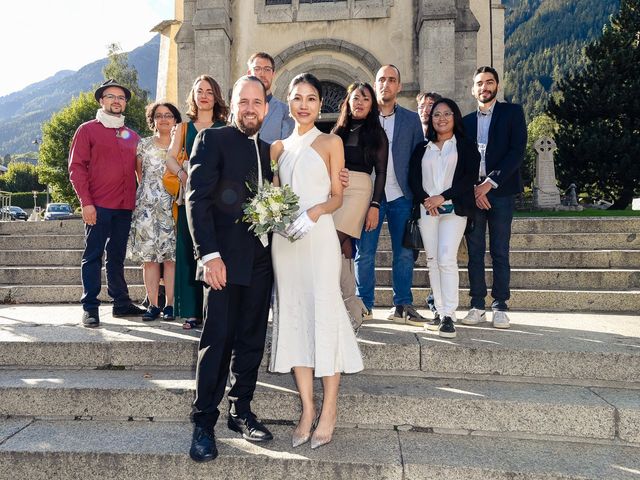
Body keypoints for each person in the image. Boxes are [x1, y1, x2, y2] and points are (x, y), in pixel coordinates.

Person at [269, 73, 363, 449]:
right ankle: (308, 408)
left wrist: (314, 213)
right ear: (288, 102)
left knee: (323, 315)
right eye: (297, 97)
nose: (304, 104)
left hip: (319, 233)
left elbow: (339, 196)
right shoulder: (276, 148)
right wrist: (273, 217)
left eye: (311, 98)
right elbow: (272, 196)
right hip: (285, 242)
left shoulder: (330, 141)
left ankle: (330, 408)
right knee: (293, 315)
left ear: (320, 104)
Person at [185, 76, 274, 463]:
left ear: (266, 108)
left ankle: (241, 411)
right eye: (244, 101)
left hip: (261, 262)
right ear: (233, 105)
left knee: (252, 338)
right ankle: (204, 422)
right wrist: (209, 255)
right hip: (222, 261)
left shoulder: (270, 151)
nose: (250, 108)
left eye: (257, 101)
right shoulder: (212, 139)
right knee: (217, 341)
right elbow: (197, 201)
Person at [68, 79, 146, 328]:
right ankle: (90, 307)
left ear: (125, 103)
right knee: (92, 256)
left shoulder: (132, 135)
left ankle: (121, 303)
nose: (116, 101)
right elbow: (76, 168)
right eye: (111, 96)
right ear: (102, 101)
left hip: (125, 206)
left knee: (117, 256)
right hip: (98, 205)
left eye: (121, 98)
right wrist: (86, 203)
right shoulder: (87, 130)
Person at [354, 65, 425, 325]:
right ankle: (364, 304)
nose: (386, 84)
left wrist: (419, 195)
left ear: (399, 86)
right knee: (365, 252)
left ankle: (402, 304)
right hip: (368, 197)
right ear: (375, 85)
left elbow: (419, 159)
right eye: (381, 80)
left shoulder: (411, 119)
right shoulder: (363, 120)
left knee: (404, 252)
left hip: (401, 195)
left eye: (391, 80)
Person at [461, 66, 527, 329]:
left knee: (500, 250)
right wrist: (474, 189)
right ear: (473, 89)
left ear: (497, 86)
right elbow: (463, 160)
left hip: (501, 192)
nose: (484, 87)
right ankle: (477, 304)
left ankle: (500, 305)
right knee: (475, 252)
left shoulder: (512, 113)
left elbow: (517, 151)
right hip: (474, 194)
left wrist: (489, 183)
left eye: (489, 82)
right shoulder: (465, 122)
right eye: (479, 83)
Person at [409, 99, 480, 338]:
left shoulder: (466, 146)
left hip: (454, 210)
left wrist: (442, 197)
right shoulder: (422, 148)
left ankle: (450, 315)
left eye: (446, 113)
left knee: (446, 258)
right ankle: (439, 311)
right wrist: (427, 200)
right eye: (436, 114)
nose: (441, 118)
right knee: (431, 260)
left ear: (455, 116)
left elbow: (468, 178)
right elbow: (413, 178)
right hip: (427, 210)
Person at [166, 75, 228, 329]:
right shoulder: (183, 128)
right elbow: (170, 158)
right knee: (189, 253)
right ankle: (191, 312)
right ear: (193, 96)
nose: (203, 95)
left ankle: (213, 308)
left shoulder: (225, 127)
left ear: (216, 97)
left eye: (209, 91)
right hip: (190, 198)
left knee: (215, 252)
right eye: (199, 91)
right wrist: (182, 173)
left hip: (218, 199)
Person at [331, 82, 388, 330]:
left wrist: (375, 204)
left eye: (365, 98)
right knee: (343, 249)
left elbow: (382, 172)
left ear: (372, 104)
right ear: (348, 101)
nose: (360, 103)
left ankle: (333, 302)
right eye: (356, 98)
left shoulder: (377, 133)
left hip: (360, 190)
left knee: (331, 242)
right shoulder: (338, 131)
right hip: (335, 189)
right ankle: (354, 309)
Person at [127, 102, 182, 321]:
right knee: (149, 258)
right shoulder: (144, 144)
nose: (164, 119)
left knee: (170, 258)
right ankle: (152, 305)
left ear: (175, 119)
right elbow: (140, 175)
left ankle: (170, 305)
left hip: (172, 206)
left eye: (168, 115)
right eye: (159, 116)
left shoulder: (180, 145)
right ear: (153, 120)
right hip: (146, 207)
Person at [416, 91, 442, 316]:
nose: (425, 110)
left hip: (440, 206)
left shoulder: (445, 138)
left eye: (431, 106)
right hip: (417, 203)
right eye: (422, 106)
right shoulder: (413, 137)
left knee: (437, 256)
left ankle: (437, 303)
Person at [246, 52, 294, 143]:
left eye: (267, 69)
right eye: (257, 69)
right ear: (249, 73)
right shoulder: (239, 109)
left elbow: (285, 149)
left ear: (273, 74)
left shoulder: (286, 112)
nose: (262, 74)